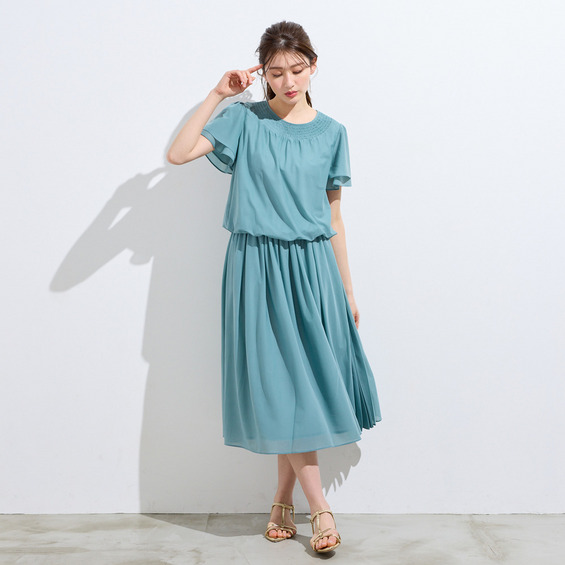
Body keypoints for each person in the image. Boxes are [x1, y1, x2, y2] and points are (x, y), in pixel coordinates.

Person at [167, 20, 382, 554]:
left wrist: (347, 289)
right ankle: (321, 508)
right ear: (262, 73)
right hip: (257, 266)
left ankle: (282, 501)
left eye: (297, 70)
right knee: (284, 386)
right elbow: (179, 153)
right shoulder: (244, 120)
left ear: (313, 67)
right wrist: (218, 94)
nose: (288, 82)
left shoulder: (332, 132)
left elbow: (334, 218)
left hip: (313, 269)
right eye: (276, 72)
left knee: (299, 389)